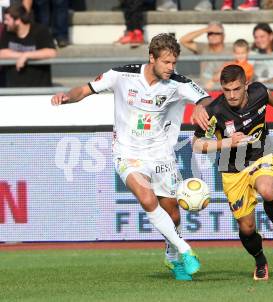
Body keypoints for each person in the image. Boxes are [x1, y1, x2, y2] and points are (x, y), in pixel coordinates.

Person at [51, 33, 211, 281]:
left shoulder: (177, 83)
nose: (171, 68)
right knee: (147, 199)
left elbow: (205, 97)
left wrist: (200, 106)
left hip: (160, 155)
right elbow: (84, 89)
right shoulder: (121, 75)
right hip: (127, 153)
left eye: (174, 63)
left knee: (174, 214)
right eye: (166, 63)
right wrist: (66, 97)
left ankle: (171, 259)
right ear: (152, 58)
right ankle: (186, 251)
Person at [192, 64, 273, 281]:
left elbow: (268, 95)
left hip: (262, 154)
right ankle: (260, 259)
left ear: (246, 85)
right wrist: (227, 143)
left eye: (236, 89)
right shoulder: (215, 111)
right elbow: (196, 145)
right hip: (233, 169)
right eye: (226, 90)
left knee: (268, 190)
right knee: (247, 227)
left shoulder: (258, 92)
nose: (231, 95)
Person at [0, 4, 56, 87]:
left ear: (18, 20)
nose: (5, 22)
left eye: (7, 20)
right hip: (13, 87)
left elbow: (51, 52)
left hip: (39, 87)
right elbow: (2, 53)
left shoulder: (40, 31)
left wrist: (27, 55)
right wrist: (22, 56)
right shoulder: (7, 32)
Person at [179, 21, 231, 90]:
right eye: (210, 33)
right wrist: (206, 29)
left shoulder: (230, 51)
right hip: (205, 91)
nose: (213, 35)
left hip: (222, 91)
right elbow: (183, 40)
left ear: (223, 36)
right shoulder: (203, 48)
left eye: (217, 33)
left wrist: (213, 80)